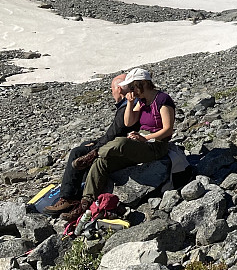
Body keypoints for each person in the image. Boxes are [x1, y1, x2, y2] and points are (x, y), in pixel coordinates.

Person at [60, 67, 177, 221]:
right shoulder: (141, 101)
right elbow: (129, 122)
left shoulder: (162, 100)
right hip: (142, 142)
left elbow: (168, 129)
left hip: (156, 145)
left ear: (142, 84)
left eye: (132, 87)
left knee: (121, 142)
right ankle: (85, 204)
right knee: (102, 163)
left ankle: (92, 154)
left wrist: (146, 138)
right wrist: (129, 103)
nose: (131, 90)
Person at [44, 74, 140, 217]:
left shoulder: (127, 108)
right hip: (119, 145)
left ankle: (69, 198)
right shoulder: (130, 105)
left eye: (112, 89)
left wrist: (96, 146)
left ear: (119, 89)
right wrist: (95, 143)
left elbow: (114, 135)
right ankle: (77, 189)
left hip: (119, 149)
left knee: (77, 152)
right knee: (84, 146)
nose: (111, 92)